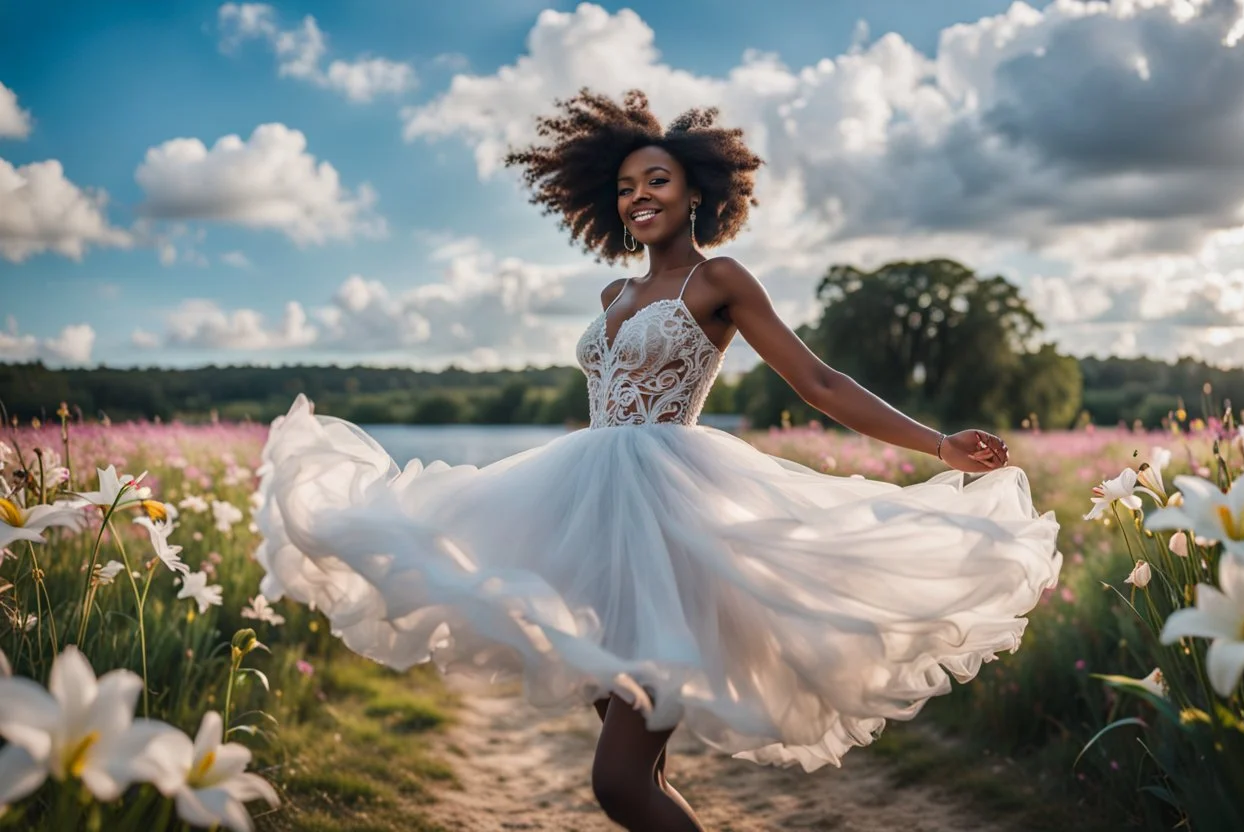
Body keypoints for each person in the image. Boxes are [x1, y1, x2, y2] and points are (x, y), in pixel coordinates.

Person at [253, 89, 1061, 832]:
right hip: (593, 514)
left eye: (657, 182)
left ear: (697, 192)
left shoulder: (718, 280)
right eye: (626, 188)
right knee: (642, 762)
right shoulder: (613, 297)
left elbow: (817, 381)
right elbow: (610, 408)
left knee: (618, 784)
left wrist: (937, 444)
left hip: (670, 520)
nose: (639, 197)